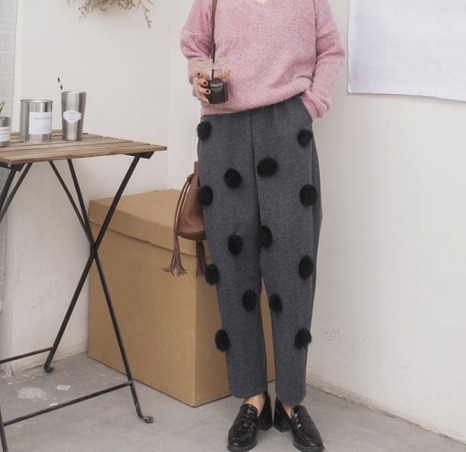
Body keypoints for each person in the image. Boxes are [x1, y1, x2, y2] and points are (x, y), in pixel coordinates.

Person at [181, 0, 344, 450]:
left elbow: (331, 49)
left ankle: (291, 400)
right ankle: (252, 397)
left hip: (287, 127)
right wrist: (198, 75)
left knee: (292, 267)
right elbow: (193, 43)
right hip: (225, 130)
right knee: (234, 269)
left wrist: (310, 104)